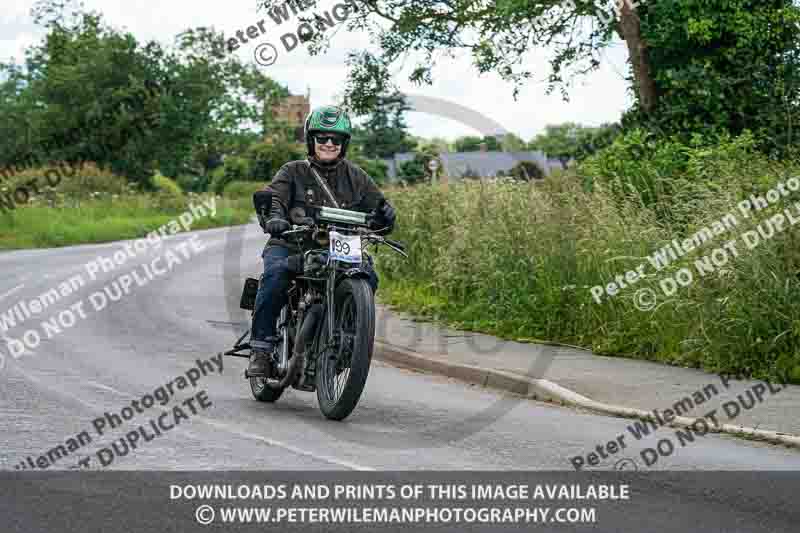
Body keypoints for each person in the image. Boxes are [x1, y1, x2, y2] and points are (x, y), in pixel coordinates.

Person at [248, 105, 397, 376]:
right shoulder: (292, 171)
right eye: (322, 138)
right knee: (276, 273)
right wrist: (275, 218)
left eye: (336, 139)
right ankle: (260, 348)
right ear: (311, 139)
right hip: (292, 244)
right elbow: (276, 198)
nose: (329, 143)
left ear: (344, 143)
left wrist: (386, 217)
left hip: (340, 249)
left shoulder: (358, 177)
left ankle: (348, 341)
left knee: (368, 276)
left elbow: (378, 212)